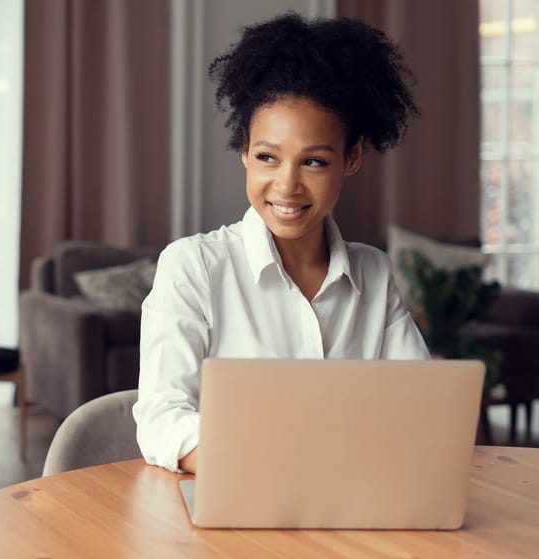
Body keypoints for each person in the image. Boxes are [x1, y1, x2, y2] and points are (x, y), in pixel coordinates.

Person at [133, 13, 430, 474]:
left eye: (313, 161)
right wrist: (266, 467)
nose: (286, 184)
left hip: (352, 505)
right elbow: (162, 418)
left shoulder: (373, 274)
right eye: (267, 157)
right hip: (236, 505)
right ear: (244, 153)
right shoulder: (194, 266)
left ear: (351, 159)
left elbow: (421, 408)